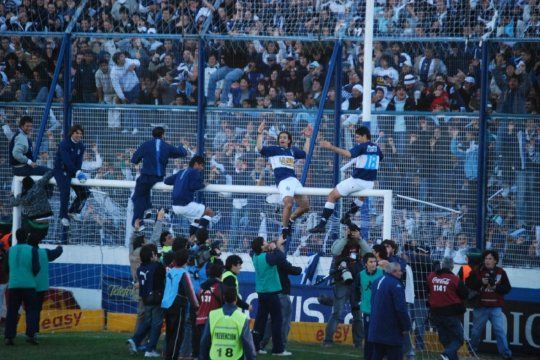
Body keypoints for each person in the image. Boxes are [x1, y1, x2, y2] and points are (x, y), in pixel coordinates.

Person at [310, 126, 383, 233]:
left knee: (332, 195)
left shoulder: (362, 146)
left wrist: (331, 147)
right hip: (369, 184)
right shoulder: (376, 147)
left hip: (358, 181)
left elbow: (348, 154)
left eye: (357, 137)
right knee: (361, 199)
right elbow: (380, 157)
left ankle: (322, 224)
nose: (356, 139)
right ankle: (347, 216)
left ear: (364, 136)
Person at [256, 120, 310, 238]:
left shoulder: (292, 150)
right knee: (288, 204)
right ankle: (285, 228)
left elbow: (305, 153)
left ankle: (290, 219)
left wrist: (308, 138)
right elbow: (260, 148)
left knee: (306, 206)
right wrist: (259, 133)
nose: (282, 139)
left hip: (294, 180)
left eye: (285, 137)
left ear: (289, 140)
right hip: (283, 181)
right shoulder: (274, 149)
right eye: (281, 137)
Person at [130, 127, 188, 228]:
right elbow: (182, 153)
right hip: (158, 177)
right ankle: (147, 209)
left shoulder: (145, 145)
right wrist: (182, 146)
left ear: (152, 135)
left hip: (146, 177)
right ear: (163, 135)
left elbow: (134, 160)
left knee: (137, 197)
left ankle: (138, 222)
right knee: (144, 191)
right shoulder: (166, 146)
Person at [323, 226, 370, 348]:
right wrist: (345, 238)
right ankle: (328, 340)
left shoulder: (360, 243)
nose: (351, 233)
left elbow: (368, 253)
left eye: (354, 231)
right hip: (342, 282)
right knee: (337, 312)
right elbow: (335, 251)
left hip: (356, 282)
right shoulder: (340, 241)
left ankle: (358, 342)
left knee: (358, 315)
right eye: (350, 231)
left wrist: (360, 239)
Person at [466, 250, 512, 360]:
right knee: (476, 332)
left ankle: (505, 354)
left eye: (490, 258)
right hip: (481, 306)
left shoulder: (501, 272)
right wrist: (481, 282)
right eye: (486, 258)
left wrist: (496, 288)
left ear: (495, 260)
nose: (487, 261)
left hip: (495, 307)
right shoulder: (477, 271)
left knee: (499, 331)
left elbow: (507, 288)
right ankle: (472, 352)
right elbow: (468, 284)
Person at [259, 238, 302, 354]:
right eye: (282, 245)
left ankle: (260, 344)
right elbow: (294, 270)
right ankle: (280, 347)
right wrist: (300, 269)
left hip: (270, 292)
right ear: (277, 247)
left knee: (269, 320)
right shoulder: (279, 258)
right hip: (281, 293)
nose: (284, 247)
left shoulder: (267, 257)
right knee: (284, 321)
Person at [251, 236, 290, 356]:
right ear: (262, 246)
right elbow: (280, 257)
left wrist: (271, 246)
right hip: (271, 292)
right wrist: (276, 246)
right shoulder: (267, 257)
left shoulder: (255, 256)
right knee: (277, 320)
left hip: (261, 292)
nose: (267, 243)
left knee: (260, 320)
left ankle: (255, 346)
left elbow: (260, 252)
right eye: (265, 242)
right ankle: (278, 349)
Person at [127, 244, 166, 358]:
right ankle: (150, 349)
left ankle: (134, 339)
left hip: (145, 299)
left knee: (148, 322)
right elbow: (162, 277)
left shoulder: (140, 268)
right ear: (151, 256)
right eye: (154, 254)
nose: (155, 255)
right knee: (157, 324)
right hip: (156, 298)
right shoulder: (157, 266)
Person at [4, 229, 40, 345]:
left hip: (14, 285)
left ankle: (9, 337)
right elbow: (36, 268)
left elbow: (5, 268)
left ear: (16, 237)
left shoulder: (10, 251)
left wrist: (14, 274)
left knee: (12, 311)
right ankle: (31, 335)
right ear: (26, 237)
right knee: (32, 310)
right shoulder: (32, 250)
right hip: (29, 284)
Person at [199, 286, 256, 360]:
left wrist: (202, 357)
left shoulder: (212, 315)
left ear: (223, 298)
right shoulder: (242, 318)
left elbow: (205, 340)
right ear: (236, 299)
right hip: (235, 357)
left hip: (214, 357)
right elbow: (248, 343)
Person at [161, 249, 199, 360]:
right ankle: (172, 357)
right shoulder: (183, 273)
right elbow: (190, 292)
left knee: (170, 332)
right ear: (186, 261)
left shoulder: (170, 270)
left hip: (166, 304)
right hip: (177, 305)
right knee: (177, 335)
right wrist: (196, 306)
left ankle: (168, 355)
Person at [427, 257, 468, 360]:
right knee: (458, 339)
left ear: (442, 264)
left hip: (435, 314)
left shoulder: (432, 276)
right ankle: (446, 354)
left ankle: (448, 355)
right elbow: (465, 294)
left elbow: (428, 290)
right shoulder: (454, 279)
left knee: (445, 339)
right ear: (452, 266)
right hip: (450, 314)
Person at [368, 262, 411, 360]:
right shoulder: (396, 284)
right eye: (400, 271)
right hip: (391, 330)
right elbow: (400, 308)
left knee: (377, 355)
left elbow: (373, 302)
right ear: (393, 271)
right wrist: (406, 326)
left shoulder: (376, 281)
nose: (401, 273)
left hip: (376, 328)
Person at [164, 155, 214, 238]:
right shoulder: (194, 172)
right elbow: (193, 186)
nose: (202, 168)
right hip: (185, 205)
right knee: (209, 212)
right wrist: (203, 184)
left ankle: (192, 240)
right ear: (196, 164)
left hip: (175, 206)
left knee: (196, 220)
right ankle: (200, 237)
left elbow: (167, 181)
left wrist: (180, 182)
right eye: (201, 165)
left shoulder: (181, 172)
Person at [53, 124, 90, 227]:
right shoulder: (64, 144)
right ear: (72, 133)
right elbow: (66, 161)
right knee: (65, 191)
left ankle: (73, 211)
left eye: (81, 134)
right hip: (61, 170)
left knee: (85, 192)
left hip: (73, 171)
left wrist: (78, 171)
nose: (79, 135)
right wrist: (77, 172)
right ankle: (63, 216)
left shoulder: (81, 146)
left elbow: (79, 162)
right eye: (77, 133)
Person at [27, 236, 62, 337]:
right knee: (36, 309)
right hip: (40, 286)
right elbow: (56, 253)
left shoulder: (26, 253)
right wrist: (59, 247)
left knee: (28, 309)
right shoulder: (44, 252)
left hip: (27, 285)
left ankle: (24, 330)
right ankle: (33, 331)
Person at [12, 170, 54, 243]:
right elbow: (47, 175)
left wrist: (11, 196)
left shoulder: (22, 196)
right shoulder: (38, 185)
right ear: (32, 182)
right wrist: (54, 170)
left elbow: (13, 203)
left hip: (34, 222)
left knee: (24, 215)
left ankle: (22, 238)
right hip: (47, 217)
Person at [194, 262, 225, 359]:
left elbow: (197, 300)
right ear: (220, 274)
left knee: (202, 346)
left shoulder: (202, 286)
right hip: (213, 320)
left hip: (200, 319)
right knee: (211, 347)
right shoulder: (219, 286)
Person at [357, 253, 384, 360]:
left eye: (375, 261)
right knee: (368, 337)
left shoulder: (382, 273)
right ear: (365, 264)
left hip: (381, 310)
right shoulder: (361, 275)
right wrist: (357, 302)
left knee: (381, 336)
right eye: (371, 262)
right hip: (368, 310)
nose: (374, 264)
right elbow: (356, 289)